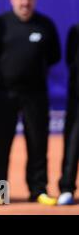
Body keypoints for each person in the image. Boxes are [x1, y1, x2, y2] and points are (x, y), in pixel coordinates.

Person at [0, 0, 60, 206]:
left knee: (38, 144)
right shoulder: (0, 24)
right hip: (5, 93)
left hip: (36, 95)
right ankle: (0, 192)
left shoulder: (45, 25)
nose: (25, 3)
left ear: (34, 0)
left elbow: (54, 56)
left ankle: (38, 190)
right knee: (1, 144)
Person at [57, 23, 79, 205]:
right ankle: (67, 188)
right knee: (73, 143)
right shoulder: (76, 30)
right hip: (78, 98)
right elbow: (70, 61)